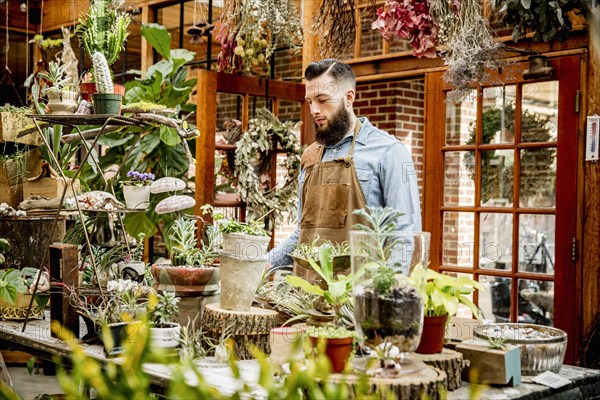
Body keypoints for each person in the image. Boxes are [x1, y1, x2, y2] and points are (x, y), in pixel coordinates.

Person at [268, 59, 422, 268]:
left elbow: (404, 238)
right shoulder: (311, 155)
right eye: (310, 101)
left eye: (322, 99)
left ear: (349, 97)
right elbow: (302, 234)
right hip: (305, 294)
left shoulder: (389, 152)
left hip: (360, 294)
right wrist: (261, 264)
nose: (314, 110)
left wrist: (383, 297)